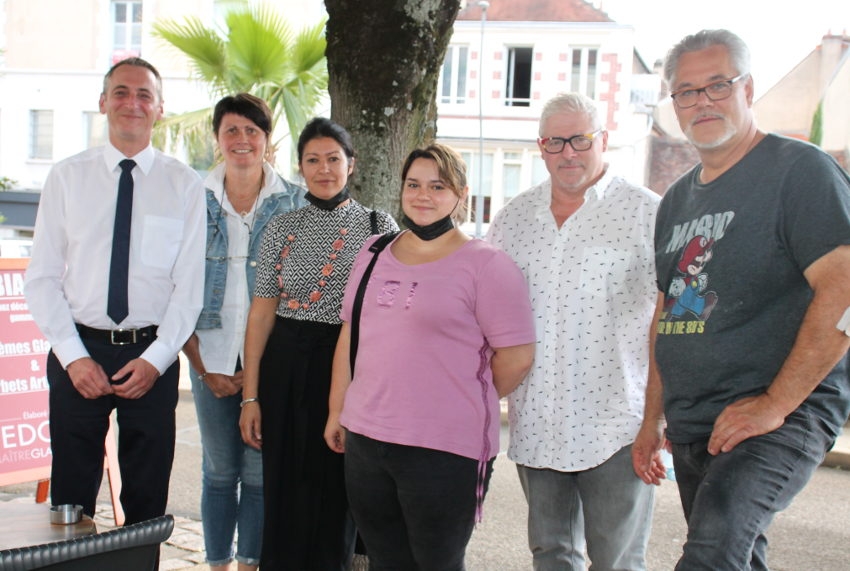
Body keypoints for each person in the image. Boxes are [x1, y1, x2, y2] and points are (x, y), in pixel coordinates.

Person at [631, 29, 850, 570]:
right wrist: (651, 419)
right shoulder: (677, 200)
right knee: (735, 554)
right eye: (686, 91)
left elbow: (845, 290)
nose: (702, 101)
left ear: (748, 89)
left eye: (717, 85)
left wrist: (774, 404)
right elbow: (668, 312)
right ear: (674, 104)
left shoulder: (799, 171)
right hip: (693, 418)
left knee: (712, 551)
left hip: (780, 412)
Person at [324, 143, 536, 570]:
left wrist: (456, 395)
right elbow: (351, 334)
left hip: (445, 450)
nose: (423, 195)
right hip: (367, 441)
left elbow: (517, 354)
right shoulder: (372, 253)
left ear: (461, 193)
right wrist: (337, 412)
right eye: (414, 184)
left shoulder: (487, 265)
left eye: (437, 186)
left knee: (436, 563)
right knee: (385, 561)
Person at [24, 57, 206, 525]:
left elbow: (189, 289)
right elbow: (42, 275)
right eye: (122, 92)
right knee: (71, 498)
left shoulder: (184, 185)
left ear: (160, 108)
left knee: (147, 500)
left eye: (144, 95)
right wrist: (72, 355)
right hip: (78, 350)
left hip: (151, 356)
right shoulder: (67, 177)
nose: (133, 103)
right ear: (103, 102)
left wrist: (156, 360)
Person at [486, 93, 662, 570]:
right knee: (551, 554)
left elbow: (668, 322)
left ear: (603, 140)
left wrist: (656, 417)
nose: (568, 152)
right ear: (540, 147)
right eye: (555, 141)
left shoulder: (648, 215)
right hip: (537, 420)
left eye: (580, 139)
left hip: (615, 425)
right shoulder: (512, 221)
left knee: (617, 560)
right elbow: (482, 311)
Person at [238, 117, 398, 569]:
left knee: (337, 489)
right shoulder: (281, 226)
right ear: (300, 166)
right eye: (313, 160)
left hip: (348, 364)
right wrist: (251, 395)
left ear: (352, 164)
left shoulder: (378, 225)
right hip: (285, 365)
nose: (324, 169)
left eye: (333, 159)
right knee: (284, 487)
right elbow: (261, 314)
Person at [182, 93, 306, 571]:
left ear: (267, 140)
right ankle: (217, 564)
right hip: (207, 358)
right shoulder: (193, 200)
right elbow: (178, 293)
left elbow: (300, 296)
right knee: (219, 472)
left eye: (252, 131)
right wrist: (203, 366)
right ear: (217, 138)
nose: (241, 140)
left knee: (258, 475)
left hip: (270, 365)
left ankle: (250, 564)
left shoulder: (294, 203)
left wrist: (257, 376)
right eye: (232, 130)